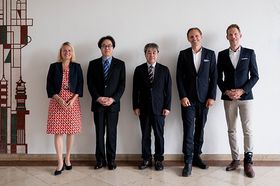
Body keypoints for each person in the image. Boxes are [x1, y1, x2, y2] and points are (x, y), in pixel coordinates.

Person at [217, 24, 259, 178]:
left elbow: (255, 76)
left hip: (245, 98)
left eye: (235, 33)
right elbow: (217, 77)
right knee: (231, 129)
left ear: (240, 35)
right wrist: (226, 91)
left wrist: (242, 90)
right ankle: (235, 159)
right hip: (228, 98)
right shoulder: (221, 55)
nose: (233, 36)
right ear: (227, 37)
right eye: (230, 34)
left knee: (247, 129)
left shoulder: (249, 53)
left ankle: (248, 161)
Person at [176, 27, 217, 177]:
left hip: (205, 100)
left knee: (200, 129)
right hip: (188, 100)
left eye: (197, 36)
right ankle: (187, 161)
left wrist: (212, 96)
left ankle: (196, 156)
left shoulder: (210, 54)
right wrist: (183, 96)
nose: (195, 38)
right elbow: (179, 78)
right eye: (191, 36)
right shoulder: (183, 54)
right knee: (188, 130)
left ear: (201, 36)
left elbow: (214, 77)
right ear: (188, 39)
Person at [87, 36, 126, 170]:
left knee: (112, 133)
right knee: (99, 133)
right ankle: (100, 160)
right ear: (100, 48)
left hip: (113, 105)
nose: (107, 47)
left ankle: (111, 160)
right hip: (98, 104)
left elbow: (122, 85)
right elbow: (90, 84)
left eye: (109, 45)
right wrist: (98, 98)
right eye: (104, 45)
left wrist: (113, 99)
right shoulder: (92, 64)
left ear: (113, 48)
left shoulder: (120, 64)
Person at [46, 42, 84, 176]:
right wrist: (59, 99)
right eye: (64, 50)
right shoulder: (54, 66)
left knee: (71, 131)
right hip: (57, 101)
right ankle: (59, 162)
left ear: (72, 52)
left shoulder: (77, 67)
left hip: (73, 102)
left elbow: (80, 85)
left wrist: (72, 100)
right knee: (58, 132)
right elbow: (49, 86)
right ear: (61, 52)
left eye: (69, 50)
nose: (67, 52)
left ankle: (67, 158)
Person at [133, 43, 172, 171]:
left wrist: (167, 107)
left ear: (157, 54)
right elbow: (135, 90)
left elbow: (168, 90)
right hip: (143, 109)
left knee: (159, 135)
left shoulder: (164, 70)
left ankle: (159, 160)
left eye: (154, 52)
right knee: (145, 135)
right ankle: (146, 158)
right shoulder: (139, 70)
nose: (151, 55)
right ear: (145, 54)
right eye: (148, 52)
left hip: (160, 109)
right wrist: (135, 106)